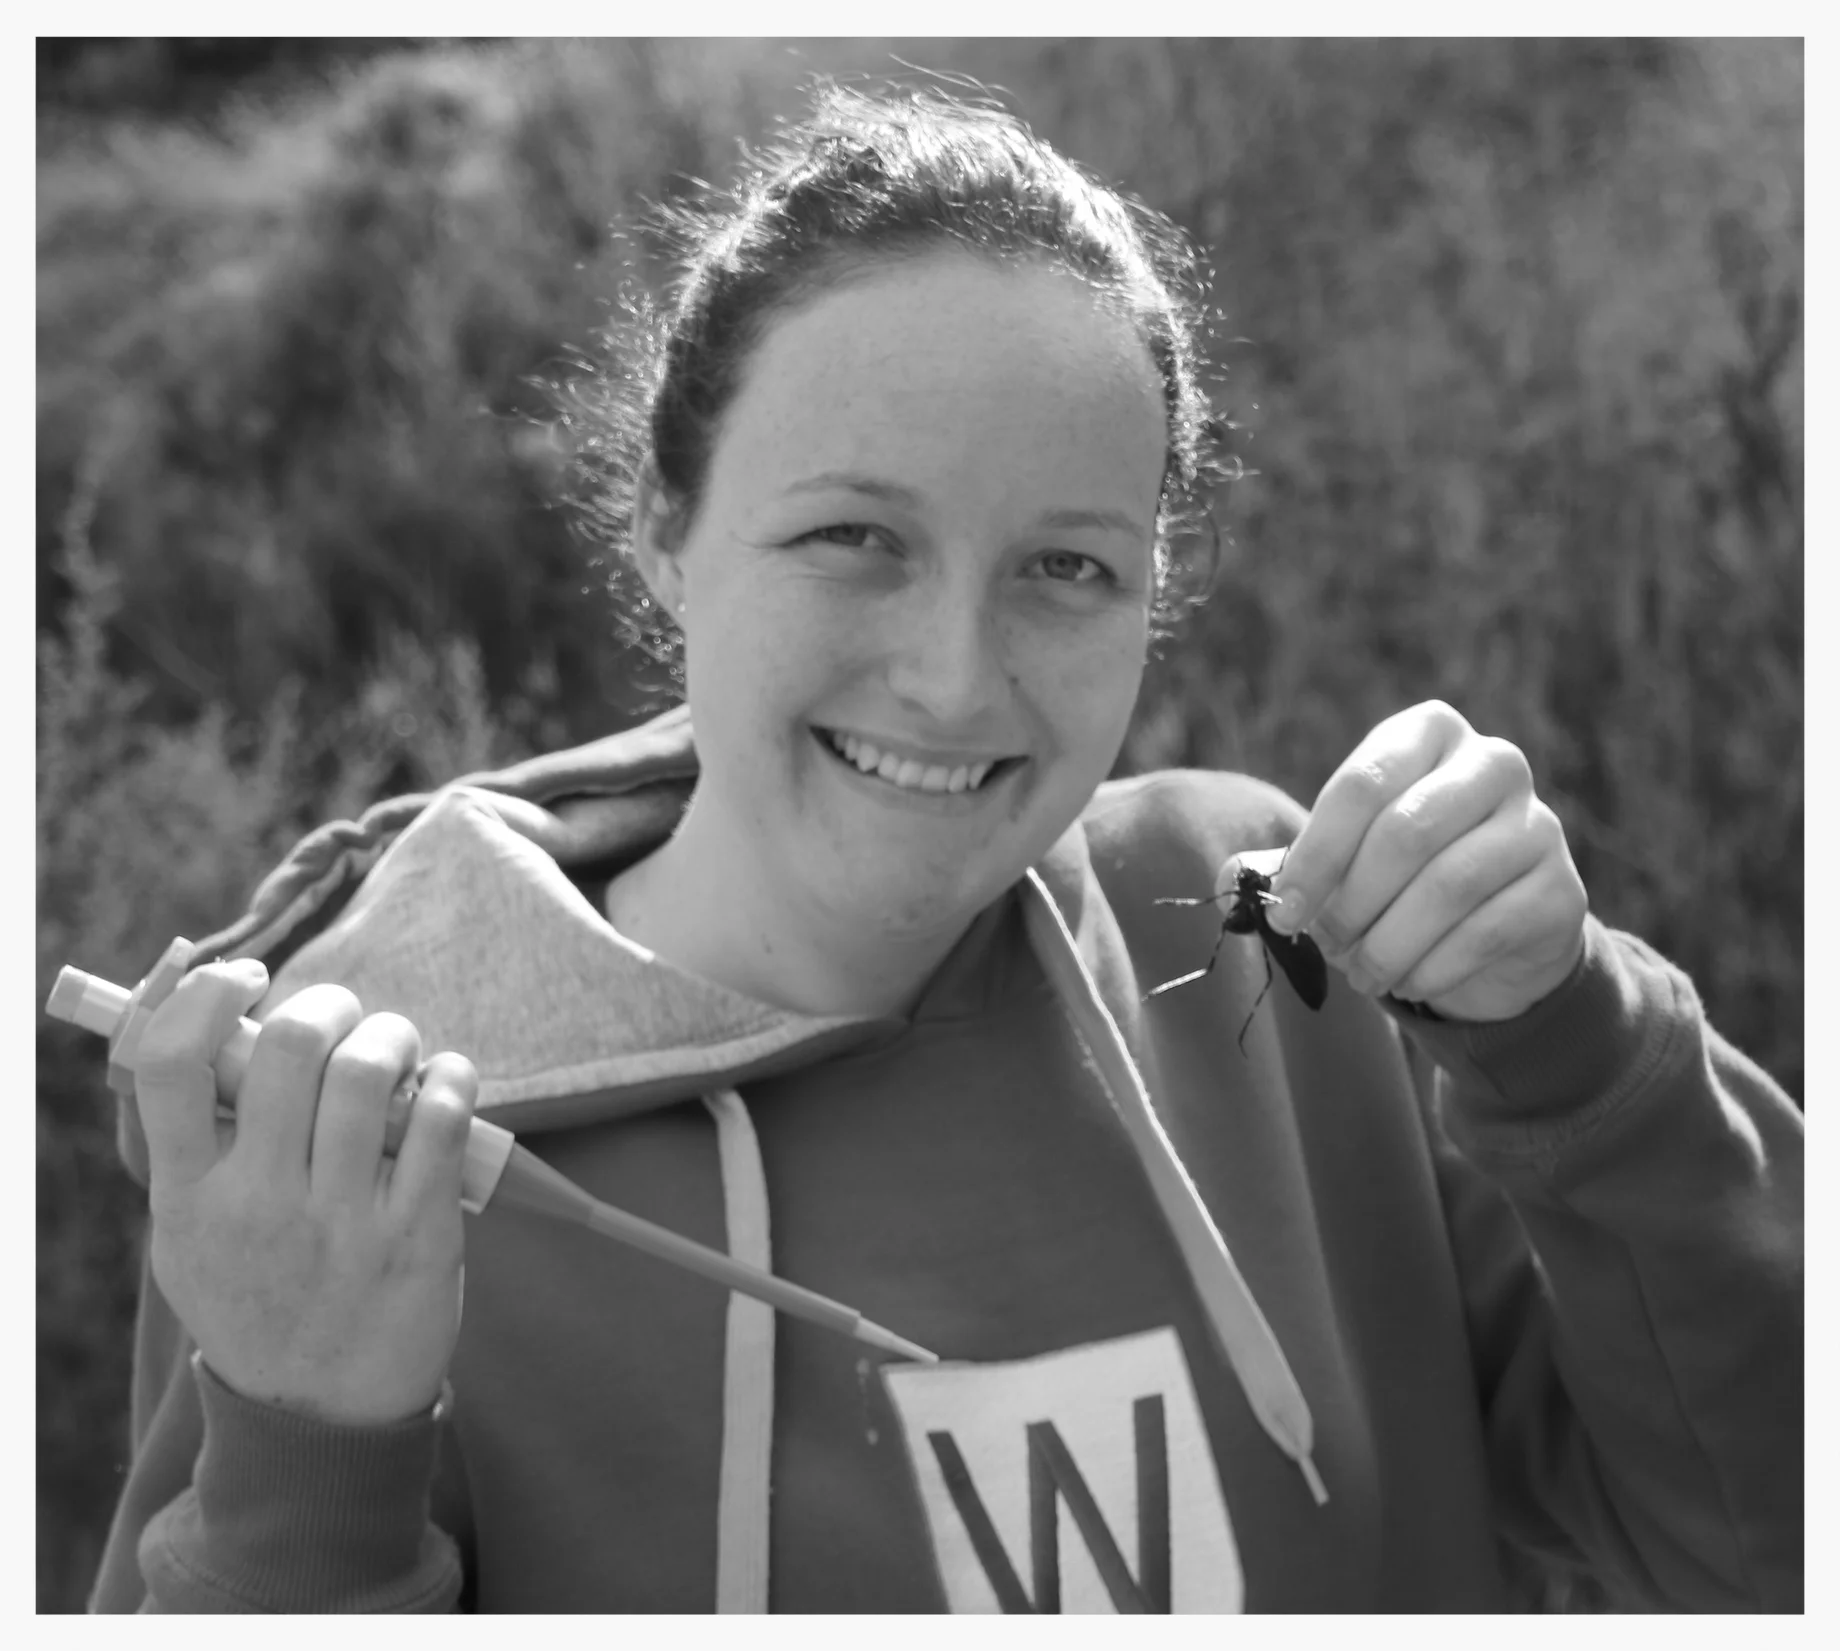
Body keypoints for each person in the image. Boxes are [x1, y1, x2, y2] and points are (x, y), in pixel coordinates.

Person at [88, 86, 1801, 1614]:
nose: (956, 676)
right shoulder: (352, 1143)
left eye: (1068, 567)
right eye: (854, 535)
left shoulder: (1285, 949)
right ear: (664, 531)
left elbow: (1769, 1543)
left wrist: (1572, 1042)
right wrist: (306, 1462)